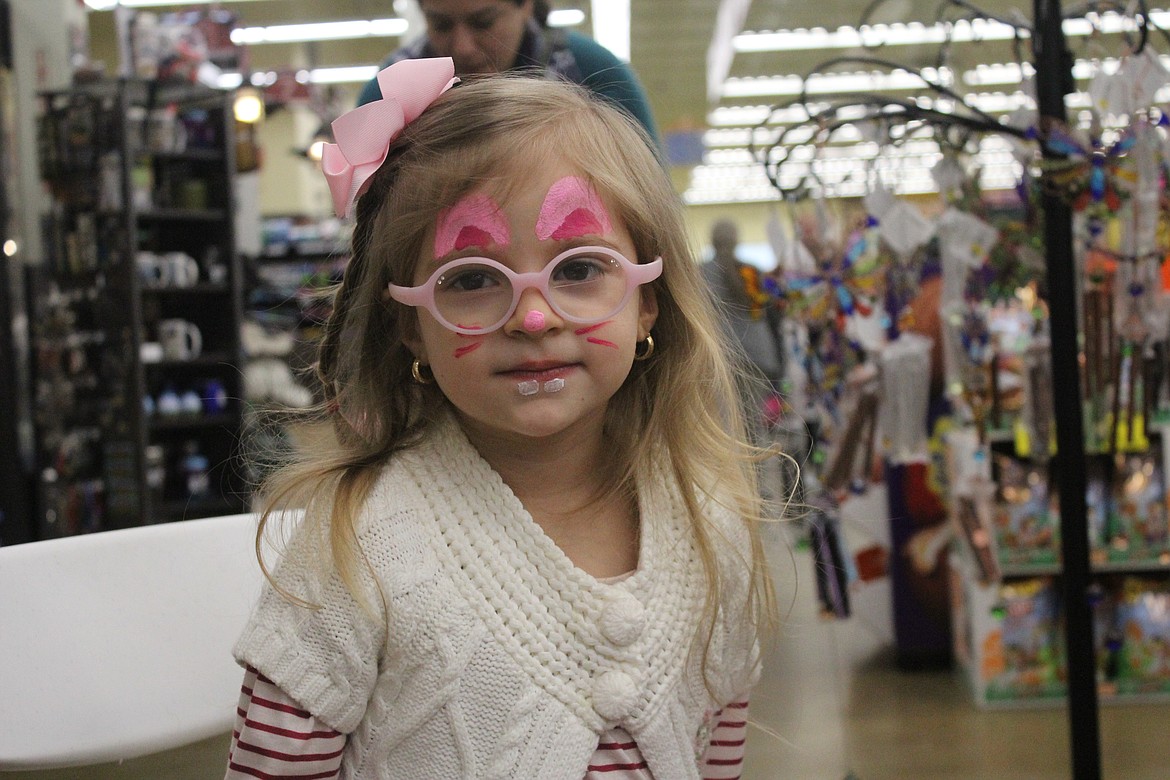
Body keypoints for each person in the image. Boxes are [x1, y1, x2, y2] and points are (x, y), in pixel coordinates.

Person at [224, 58, 776, 779]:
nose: (533, 316)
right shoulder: (358, 546)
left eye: (578, 269)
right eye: (472, 279)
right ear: (411, 325)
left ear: (648, 299)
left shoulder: (712, 526)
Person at [355, 0, 659, 142]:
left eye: (483, 23)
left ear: (526, 6)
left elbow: (650, 207)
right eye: (441, 25)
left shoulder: (594, 75)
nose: (462, 47)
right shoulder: (386, 97)